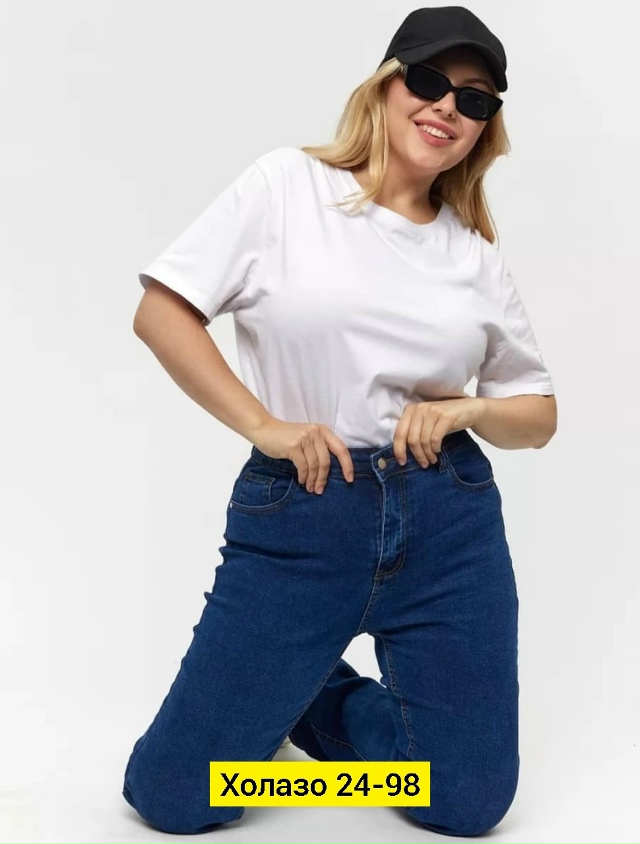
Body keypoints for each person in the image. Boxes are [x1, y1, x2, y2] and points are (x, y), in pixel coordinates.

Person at [122, 5, 557, 837]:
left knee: (464, 804)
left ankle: (322, 708)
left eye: (474, 100)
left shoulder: (473, 254)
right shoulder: (288, 186)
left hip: (448, 524)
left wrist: (468, 407)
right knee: (177, 798)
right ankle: (300, 693)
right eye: (428, 81)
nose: (447, 107)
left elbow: (538, 416)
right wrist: (266, 427)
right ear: (386, 86)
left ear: (484, 128)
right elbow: (162, 312)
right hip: (305, 508)